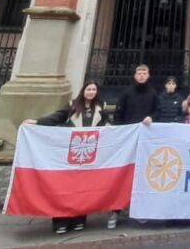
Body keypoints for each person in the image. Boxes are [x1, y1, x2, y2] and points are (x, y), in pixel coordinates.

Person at [22, 81, 107, 234]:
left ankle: (79, 218)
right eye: (89, 89)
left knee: (83, 189)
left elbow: (108, 127)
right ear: (83, 90)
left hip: (89, 156)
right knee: (65, 187)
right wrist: (37, 122)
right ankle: (61, 220)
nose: (91, 92)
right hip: (70, 154)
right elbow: (56, 118)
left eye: (94, 89)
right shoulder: (72, 105)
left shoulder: (101, 108)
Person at [112, 64, 158, 230]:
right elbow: (118, 113)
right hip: (127, 140)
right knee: (124, 173)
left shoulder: (153, 93)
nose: (141, 75)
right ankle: (116, 209)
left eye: (144, 72)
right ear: (134, 75)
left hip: (145, 141)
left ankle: (140, 208)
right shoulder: (127, 93)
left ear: (148, 75)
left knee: (143, 174)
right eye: (139, 72)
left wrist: (151, 118)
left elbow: (156, 112)